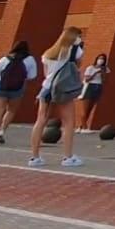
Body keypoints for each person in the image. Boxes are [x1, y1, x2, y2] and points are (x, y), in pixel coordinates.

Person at [28, 26, 86, 167]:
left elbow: (46, 74)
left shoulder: (48, 53)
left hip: (47, 89)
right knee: (68, 122)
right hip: (64, 89)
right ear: (76, 38)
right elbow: (77, 67)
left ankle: (34, 157)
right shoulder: (75, 51)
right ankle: (68, 157)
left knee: (40, 121)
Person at [0, 40, 36, 145]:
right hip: (18, 88)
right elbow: (32, 76)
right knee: (11, 111)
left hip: (1, 87)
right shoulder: (30, 59)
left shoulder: (5, 59)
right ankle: (2, 130)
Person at [79, 54, 109, 133]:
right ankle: (84, 128)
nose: (101, 60)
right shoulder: (90, 68)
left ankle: (81, 126)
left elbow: (104, 80)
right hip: (90, 86)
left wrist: (102, 73)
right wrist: (95, 73)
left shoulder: (105, 69)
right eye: (100, 58)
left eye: (103, 59)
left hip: (98, 86)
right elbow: (87, 79)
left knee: (90, 108)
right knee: (85, 108)